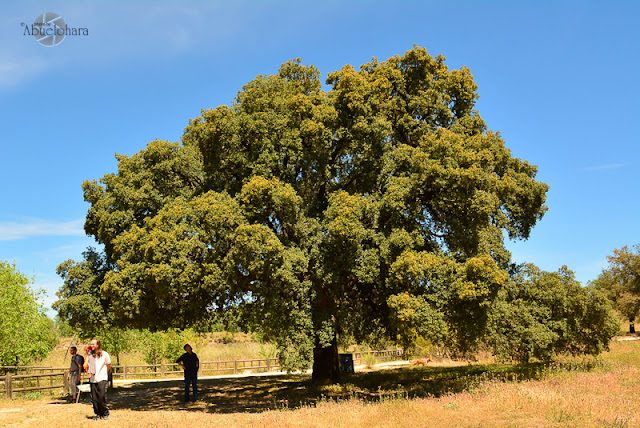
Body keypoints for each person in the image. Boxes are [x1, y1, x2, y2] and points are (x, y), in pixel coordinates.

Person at [87, 339, 111, 420]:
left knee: (101, 396)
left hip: (102, 378)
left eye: (93, 344)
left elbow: (109, 365)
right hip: (93, 379)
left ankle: (105, 412)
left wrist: (104, 373)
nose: (92, 346)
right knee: (94, 398)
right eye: (91, 344)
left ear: (98, 345)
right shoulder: (90, 355)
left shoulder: (105, 354)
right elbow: (86, 365)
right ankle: (97, 414)